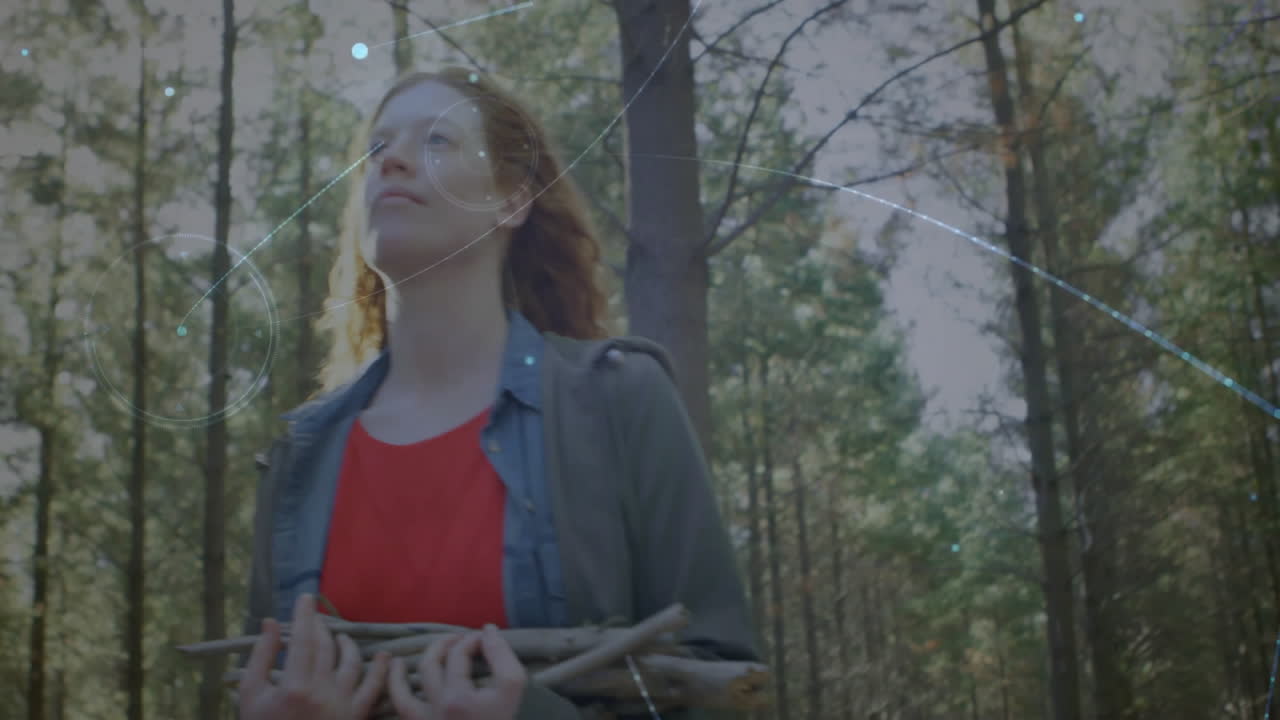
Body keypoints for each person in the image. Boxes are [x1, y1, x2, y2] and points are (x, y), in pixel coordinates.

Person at [237, 66, 759, 720]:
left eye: (436, 142)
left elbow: (724, 689)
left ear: (512, 200)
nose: (390, 161)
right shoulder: (299, 459)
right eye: (377, 150)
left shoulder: (620, 402)